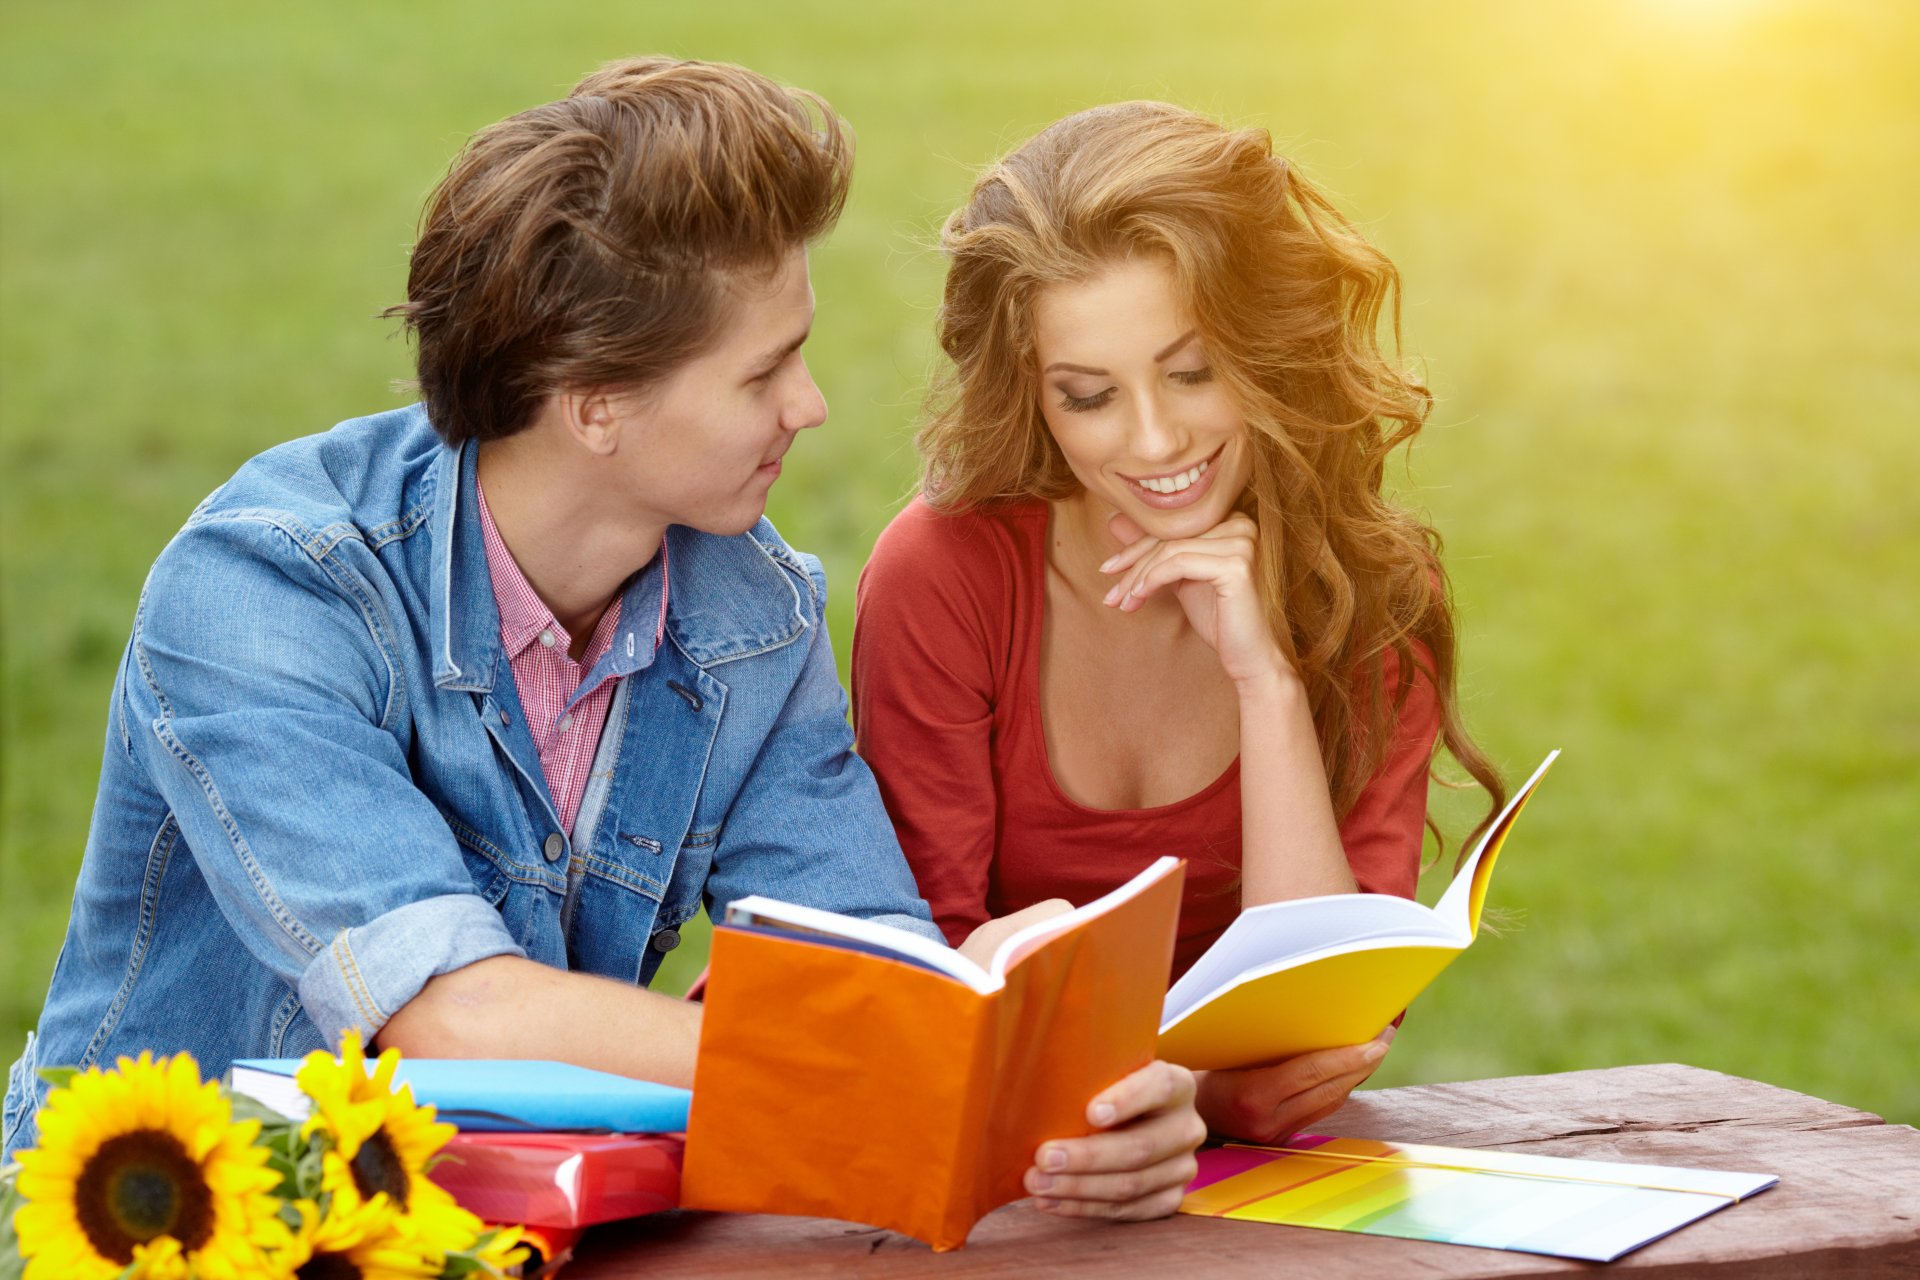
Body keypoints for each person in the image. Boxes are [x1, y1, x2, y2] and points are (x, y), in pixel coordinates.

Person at [1, 59, 1204, 1221]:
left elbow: (867, 975)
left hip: (501, 1227)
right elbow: (446, 1014)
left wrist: (1030, 1060)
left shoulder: (749, 609)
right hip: (159, 1230)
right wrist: (861, 1051)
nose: (812, 404)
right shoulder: (267, 590)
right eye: (764, 371)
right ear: (594, 406)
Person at [852, 101, 1506, 1147]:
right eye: (1088, 395)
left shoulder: (1370, 590)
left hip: (1263, 1201)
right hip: (998, 1164)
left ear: (1267, 344)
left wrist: (1268, 685)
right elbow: (922, 973)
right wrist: (1196, 1096)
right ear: (1033, 392)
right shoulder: (945, 574)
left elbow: (1328, 1014)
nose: (1155, 439)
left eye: (1192, 372)